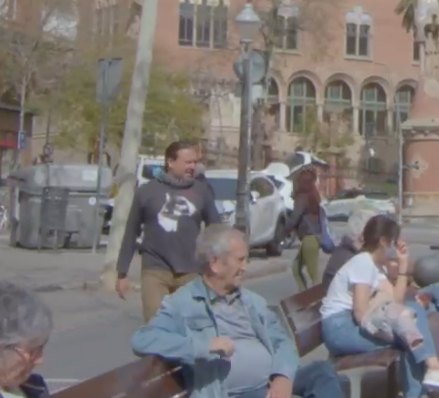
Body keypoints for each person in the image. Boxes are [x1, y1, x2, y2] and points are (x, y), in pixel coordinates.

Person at [132, 225, 344, 398]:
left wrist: (282, 377)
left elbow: (282, 341)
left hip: (270, 383)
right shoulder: (184, 303)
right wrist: (202, 346)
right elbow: (143, 339)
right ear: (215, 264)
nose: (246, 267)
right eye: (240, 259)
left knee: (322, 373)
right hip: (233, 393)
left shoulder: (251, 301)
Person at [320, 215, 439, 395]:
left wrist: (403, 264)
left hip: (349, 325)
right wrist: (392, 330)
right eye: (394, 242)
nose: (396, 247)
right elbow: (360, 312)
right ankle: (432, 369)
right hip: (340, 329)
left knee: (413, 313)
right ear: (383, 241)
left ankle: (432, 371)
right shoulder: (362, 263)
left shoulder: (375, 267)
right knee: (408, 338)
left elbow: (396, 299)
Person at [116, 140, 221, 322]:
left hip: (190, 270)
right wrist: (122, 272)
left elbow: (216, 230)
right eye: (187, 162)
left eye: (194, 163)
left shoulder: (201, 191)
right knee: (156, 325)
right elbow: (131, 231)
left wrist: (217, 266)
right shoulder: (147, 191)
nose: (192, 167)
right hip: (155, 268)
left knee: (190, 324)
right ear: (170, 162)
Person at [290, 169, 326, 290]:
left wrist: (283, 231)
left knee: (313, 275)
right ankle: (303, 298)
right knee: (296, 268)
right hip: (313, 238)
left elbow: (294, 217)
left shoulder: (302, 197)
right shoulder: (313, 195)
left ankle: (319, 300)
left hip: (309, 238)